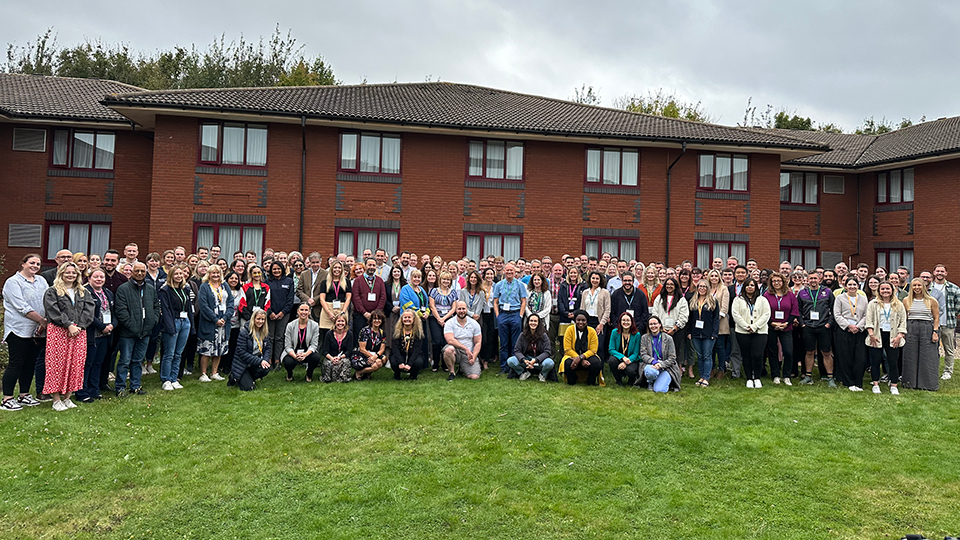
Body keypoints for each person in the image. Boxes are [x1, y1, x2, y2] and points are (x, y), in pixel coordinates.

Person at [41, 262, 95, 411]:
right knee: (57, 365)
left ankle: (68, 398)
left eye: (73, 273)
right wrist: (68, 325)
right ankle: (56, 399)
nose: (70, 275)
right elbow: (52, 311)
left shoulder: (83, 292)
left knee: (75, 364)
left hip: (78, 332)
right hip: (59, 331)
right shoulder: (52, 292)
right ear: (61, 274)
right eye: (67, 272)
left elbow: (89, 311)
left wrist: (79, 326)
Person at [1, 254, 48, 411]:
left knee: (30, 363)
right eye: (32, 263)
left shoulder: (41, 281)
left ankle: (24, 395)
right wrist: (42, 320)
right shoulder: (13, 282)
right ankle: (7, 398)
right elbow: (21, 307)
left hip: (38, 331)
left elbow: (48, 300)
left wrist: (44, 322)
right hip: (19, 329)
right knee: (16, 363)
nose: (35, 266)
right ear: (23, 264)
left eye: (38, 264)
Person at [114, 262, 160, 397]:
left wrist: (153, 321)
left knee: (138, 361)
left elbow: (156, 306)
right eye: (137, 271)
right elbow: (121, 311)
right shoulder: (123, 289)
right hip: (128, 333)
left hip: (145, 332)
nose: (140, 273)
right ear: (132, 272)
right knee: (124, 361)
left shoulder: (150, 289)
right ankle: (120, 387)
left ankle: (135, 386)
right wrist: (133, 327)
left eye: (142, 271)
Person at [865, 281, 905, 395]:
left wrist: (899, 336)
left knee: (893, 361)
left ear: (892, 290)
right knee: (876, 361)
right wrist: (871, 334)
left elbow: (903, 322)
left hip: (893, 336)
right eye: (882, 289)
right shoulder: (873, 303)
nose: (885, 291)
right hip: (877, 335)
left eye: (888, 289)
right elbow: (869, 320)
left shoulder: (899, 304)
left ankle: (894, 385)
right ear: (879, 291)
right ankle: (876, 384)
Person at [797, 270, 836, 387]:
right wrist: (802, 323)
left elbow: (834, 309)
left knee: (826, 352)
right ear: (807, 280)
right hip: (808, 326)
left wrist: (829, 323)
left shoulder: (827, 292)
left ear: (820, 279)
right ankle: (808, 376)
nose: (813, 280)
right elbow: (798, 310)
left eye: (815, 278)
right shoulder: (802, 293)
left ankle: (830, 377)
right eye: (811, 278)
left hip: (823, 326)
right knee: (809, 352)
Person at [196, 264, 234, 382]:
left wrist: (225, 318)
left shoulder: (225, 285)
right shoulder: (204, 287)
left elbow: (231, 303)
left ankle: (214, 372)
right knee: (206, 349)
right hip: (209, 322)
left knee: (219, 348)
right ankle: (203, 373)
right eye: (213, 273)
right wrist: (215, 319)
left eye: (218, 273)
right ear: (209, 274)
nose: (216, 275)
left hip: (223, 323)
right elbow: (203, 305)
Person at [901, 278, 940, 391]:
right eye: (914, 285)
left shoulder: (932, 300)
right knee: (910, 355)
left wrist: (935, 332)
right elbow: (905, 317)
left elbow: (936, 317)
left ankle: (928, 384)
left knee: (927, 356)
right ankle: (910, 383)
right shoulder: (906, 300)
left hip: (926, 327)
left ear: (923, 286)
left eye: (919, 285)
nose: (917, 288)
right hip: (911, 327)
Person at [158, 266, 193, 390]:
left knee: (178, 353)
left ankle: (174, 378)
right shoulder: (165, 290)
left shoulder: (185, 289)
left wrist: (191, 325)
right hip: (173, 322)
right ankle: (166, 379)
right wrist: (170, 327)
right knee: (169, 353)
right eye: (176, 274)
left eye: (180, 273)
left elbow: (189, 308)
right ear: (171, 275)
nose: (179, 276)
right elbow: (165, 310)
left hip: (185, 322)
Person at [732, 278, 771, 389]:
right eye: (748, 285)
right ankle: (749, 378)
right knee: (746, 355)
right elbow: (736, 314)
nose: (750, 287)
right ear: (744, 287)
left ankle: (757, 378)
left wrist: (754, 326)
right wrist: (746, 326)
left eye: (752, 285)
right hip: (742, 332)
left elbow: (766, 314)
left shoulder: (762, 300)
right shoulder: (738, 300)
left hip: (760, 331)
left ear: (755, 287)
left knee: (757, 355)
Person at [763, 273, 800, 385]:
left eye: (779, 281)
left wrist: (786, 323)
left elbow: (794, 311)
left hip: (786, 327)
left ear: (783, 282)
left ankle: (787, 375)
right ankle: (775, 375)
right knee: (773, 352)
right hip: (771, 326)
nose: (776, 283)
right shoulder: (767, 295)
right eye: (774, 281)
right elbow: (763, 311)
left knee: (788, 352)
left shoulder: (790, 295)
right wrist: (772, 323)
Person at [833, 276, 869, 391]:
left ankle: (858, 382)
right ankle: (848, 382)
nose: (852, 287)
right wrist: (848, 326)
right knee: (845, 356)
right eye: (850, 285)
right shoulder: (840, 298)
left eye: (854, 285)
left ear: (858, 286)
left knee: (860, 358)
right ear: (845, 286)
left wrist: (858, 327)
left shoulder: (863, 299)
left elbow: (866, 315)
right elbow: (837, 314)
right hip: (844, 331)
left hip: (859, 331)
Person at [493, 263, 528, 374]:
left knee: (515, 342)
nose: (509, 272)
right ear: (504, 271)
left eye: (511, 271)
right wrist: (498, 316)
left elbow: (523, 301)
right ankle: (504, 367)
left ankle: (514, 366)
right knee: (503, 343)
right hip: (503, 314)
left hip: (515, 314)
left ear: (515, 272)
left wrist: (520, 315)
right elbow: (495, 302)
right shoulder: (499, 285)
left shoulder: (520, 284)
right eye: (507, 270)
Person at [229, 308, 271, 391]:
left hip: (254, 362)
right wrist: (260, 361)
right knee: (249, 388)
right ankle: (234, 377)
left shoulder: (264, 332)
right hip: (242, 364)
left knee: (265, 368)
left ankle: (249, 378)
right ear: (253, 319)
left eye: (263, 319)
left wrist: (265, 360)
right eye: (258, 319)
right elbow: (242, 353)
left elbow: (267, 348)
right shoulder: (244, 332)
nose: (260, 321)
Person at [651, 277, 689, 369]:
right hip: (661, 330)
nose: (669, 286)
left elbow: (684, 316)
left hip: (676, 330)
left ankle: (675, 370)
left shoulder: (681, 299)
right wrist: (660, 327)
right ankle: (661, 368)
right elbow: (655, 313)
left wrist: (675, 328)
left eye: (672, 284)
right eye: (667, 284)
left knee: (675, 351)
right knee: (662, 351)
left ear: (676, 286)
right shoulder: (659, 298)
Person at [636, 315, 681, 393]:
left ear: (660, 325)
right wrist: (654, 362)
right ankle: (650, 382)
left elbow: (672, 357)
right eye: (651, 324)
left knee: (660, 390)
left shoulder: (668, 339)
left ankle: (663, 380)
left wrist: (661, 365)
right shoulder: (644, 338)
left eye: (655, 324)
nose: (653, 326)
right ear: (648, 326)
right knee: (650, 372)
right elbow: (643, 355)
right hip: (650, 365)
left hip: (666, 367)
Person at [688, 280, 720, 387]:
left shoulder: (713, 301)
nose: (702, 288)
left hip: (708, 333)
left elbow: (716, 319)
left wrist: (714, 333)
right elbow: (690, 318)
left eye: (704, 286)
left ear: (707, 288)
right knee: (700, 355)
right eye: (700, 286)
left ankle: (706, 377)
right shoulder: (693, 301)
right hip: (696, 332)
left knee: (707, 355)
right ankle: (701, 376)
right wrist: (689, 332)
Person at [931, 264, 960, 380]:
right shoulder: (929, 288)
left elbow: (958, 305)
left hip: (948, 324)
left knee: (948, 349)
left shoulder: (954, 288)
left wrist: (952, 315)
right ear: (934, 272)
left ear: (946, 273)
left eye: (942, 271)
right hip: (932, 324)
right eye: (937, 271)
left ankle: (948, 371)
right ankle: (933, 370)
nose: (940, 273)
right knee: (933, 349)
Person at [442, 300, 483, 381]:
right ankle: (452, 372)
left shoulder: (474, 323)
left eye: (463, 309)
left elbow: (478, 342)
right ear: (456, 310)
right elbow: (450, 340)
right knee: (448, 350)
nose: (461, 311)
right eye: (459, 309)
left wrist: (473, 357)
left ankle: (462, 368)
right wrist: (465, 349)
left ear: (467, 309)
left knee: (474, 377)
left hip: (469, 353)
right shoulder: (449, 323)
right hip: (456, 351)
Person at [264, 261, 295, 367]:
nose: (276, 271)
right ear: (271, 271)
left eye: (278, 269)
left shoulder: (289, 281)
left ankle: (277, 360)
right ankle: (269, 360)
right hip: (270, 314)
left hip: (284, 314)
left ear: (282, 269)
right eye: (274, 269)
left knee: (280, 337)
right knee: (270, 337)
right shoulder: (267, 282)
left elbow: (290, 299)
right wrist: (270, 312)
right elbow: (265, 299)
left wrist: (283, 312)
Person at [559, 310, 602, 385]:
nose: (580, 322)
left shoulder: (592, 331)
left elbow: (593, 350)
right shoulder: (569, 330)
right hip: (572, 356)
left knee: (596, 363)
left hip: (587, 356)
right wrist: (579, 359)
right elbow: (567, 349)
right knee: (567, 362)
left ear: (587, 321)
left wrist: (581, 357)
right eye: (578, 320)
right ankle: (572, 380)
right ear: (575, 320)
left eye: (583, 320)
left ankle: (591, 381)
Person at [506, 313, 553, 382]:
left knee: (549, 363)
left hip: (539, 360)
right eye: (531, 321)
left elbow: (547, 351)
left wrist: (536, 360)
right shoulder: (522, 335)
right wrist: (524, 360)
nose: (533, 323)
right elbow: (517, 350)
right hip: (526, 360)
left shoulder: (544, 335)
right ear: (528, 322)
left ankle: (543, 375)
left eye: (535, 321)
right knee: (510, 361)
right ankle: (524, 372)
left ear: (538, 323)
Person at [281, 303, 322, 382]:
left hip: (307, 353)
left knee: (316, 357)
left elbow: (314, 345)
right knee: (288, 362)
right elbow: (287, 346)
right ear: (297, 311)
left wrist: (305, 354)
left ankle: (309, 374)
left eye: (306, 310)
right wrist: (295, 356)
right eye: (302, 310)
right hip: (293, 352)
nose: (304, 312)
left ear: (309, 312)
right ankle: (289, 374)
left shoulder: (315, 325)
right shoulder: (290, 325)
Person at [351, 258, 387, 347]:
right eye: (369, 265)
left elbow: (383, 297)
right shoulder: (358, 280)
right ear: (365, 266)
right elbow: (355, 297)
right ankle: (358, 358)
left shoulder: (380, 280)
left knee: (375, 338)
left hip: (376, 317)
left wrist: (376, 313)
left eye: (373, 265)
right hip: (360, 315)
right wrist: (364, 313)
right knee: (359, 338)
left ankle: (373, 357)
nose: (371, 267)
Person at [428, 271, 459, 372]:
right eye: (444, 279)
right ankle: (436, 363)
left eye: (448, 279)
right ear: (440, 280)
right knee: (436, 341)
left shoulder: (453, 292)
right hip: (435, 318)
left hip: (449, 319)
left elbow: (454, 307)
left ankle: (445, 364)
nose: (446, 281)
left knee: (446, 341)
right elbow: (432, 306)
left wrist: (444, 318)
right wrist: (439, 319)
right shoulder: (433, 291)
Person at [351, 309, 387, 380]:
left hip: (374, 354)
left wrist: (375, 356)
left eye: (379, 319)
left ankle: (362, 372)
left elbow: (382, 349)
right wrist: (372, 357)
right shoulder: (365, 331)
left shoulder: (382, 333)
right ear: (371, 320)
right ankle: (361, 373)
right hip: (362, 354)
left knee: (383, 359)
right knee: (377, 364)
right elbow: (362, 349)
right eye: (375, 319)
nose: (377, 321)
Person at [607, 311, 641, 386]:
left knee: (630, 371)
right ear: (620, 322)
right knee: (612, 361)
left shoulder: (637, 334)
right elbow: (611, 349)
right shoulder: (615, 332)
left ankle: (631, 380)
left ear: (632, 322)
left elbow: (636, 353)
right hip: (619, 358)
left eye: (628, 320)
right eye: (623, 320)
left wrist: (626, 362)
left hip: (632, 359)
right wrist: (622, 358)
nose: (626, 322)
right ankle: (618, 380)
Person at [390, 309, 425, 380]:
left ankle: (413, 375)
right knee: (394, 360)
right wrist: (400, 362)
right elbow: (395, 348)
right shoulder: (396, 332)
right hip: (400, 354)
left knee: (418, 361)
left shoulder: (418, 333)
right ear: (402, 319)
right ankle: (397, 375)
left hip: (413, 355)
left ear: (414, 319)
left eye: (409, 317)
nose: (407, 319)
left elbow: (417, 350)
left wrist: (409, 364)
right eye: (405, 317)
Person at [321, 312, 354, 383]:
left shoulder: (349, 334)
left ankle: (342, 378)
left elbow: (349, 350)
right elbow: (325, 351)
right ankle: (329, 378)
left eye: (342, 321)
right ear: (335, 322)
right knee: (328, 364)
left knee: (345, 362)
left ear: (345, 323)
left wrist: (340, 358)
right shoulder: (329, 334)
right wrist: (332, 358)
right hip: (330, 357)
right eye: (338, 321)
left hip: (343, 357)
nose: (340, 323)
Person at [296, 252, 328, 322]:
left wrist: (315, 300)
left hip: (319, 308)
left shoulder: (326, 274)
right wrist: (308, 299)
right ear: (309, 262)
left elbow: (327, 291)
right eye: (313, 262)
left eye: (317, 262)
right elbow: (299, 290)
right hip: (305, 308)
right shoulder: (304, 274)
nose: (315, 264)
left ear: (320, 262)